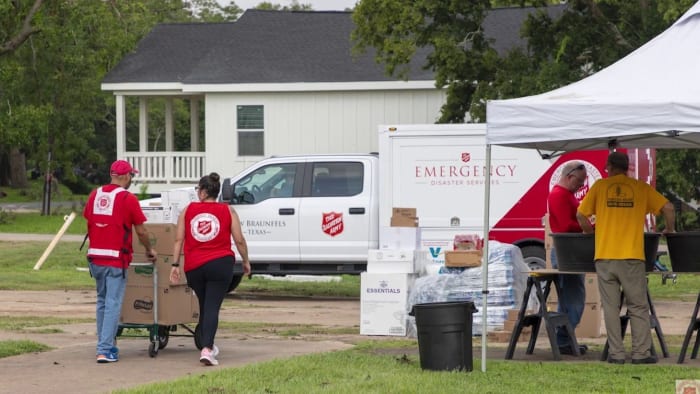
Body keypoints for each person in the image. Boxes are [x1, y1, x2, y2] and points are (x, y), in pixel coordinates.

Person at [576, 151, 675, 365]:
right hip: (632, 257)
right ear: (627, 167)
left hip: (604, 256)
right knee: (637, 307)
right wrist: (670, 228)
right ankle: (640, 354)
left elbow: (580, 214)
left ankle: (616, 354)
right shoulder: (640, 188)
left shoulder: (600, 187)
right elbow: (668, 207)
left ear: (610, 167)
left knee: (611, 308)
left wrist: (589, 232)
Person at [170, 172, 251, 366]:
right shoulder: (228, 210)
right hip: (220, 263)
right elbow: (239, 239)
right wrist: (246, 261)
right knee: (212, 306)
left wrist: (174, 265)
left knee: (205, 304)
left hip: (194, 266)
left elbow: (179, 239)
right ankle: (207, 348)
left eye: (198, 189)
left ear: (204, 192)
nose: (198, 192)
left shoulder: (188, 210)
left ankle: (207, 345)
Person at [84, 160, 157, 364]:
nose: (131, 180)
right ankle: (105, 349)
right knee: (112, 304)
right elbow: (141, 230)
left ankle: (105, 344)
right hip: (116, 258)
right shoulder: (127, 198)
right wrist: (150, 250)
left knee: (101, 301)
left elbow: (89, 219)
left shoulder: (94, 194)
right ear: (125, 177)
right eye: (131, 176)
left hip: (95, 257)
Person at [548, 161, 590, 355]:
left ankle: (565, 339)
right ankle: (564, 339)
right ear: (569, 176)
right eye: (579, 182)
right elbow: (565, 227)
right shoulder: (559, 195)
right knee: (574, 298)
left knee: (569, 297)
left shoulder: (565, 195)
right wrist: (587, 228)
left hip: (569, 250)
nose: (581, 186)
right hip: (567, 251)